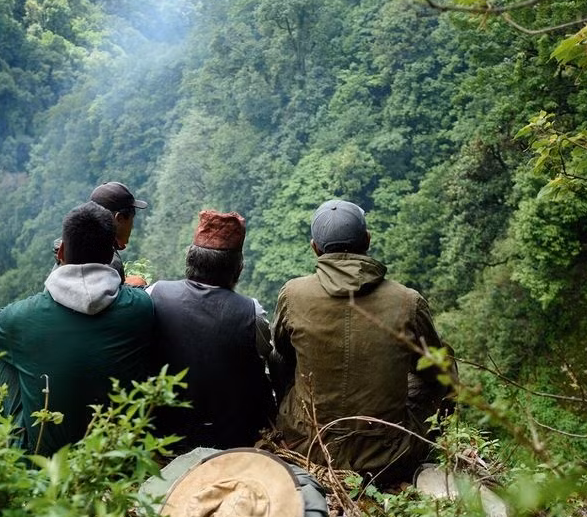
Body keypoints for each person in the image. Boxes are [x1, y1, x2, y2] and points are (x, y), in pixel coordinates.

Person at [269, 199, 454, 487]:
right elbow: (439, 375)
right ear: (367, 241)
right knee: (442, 363)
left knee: (279, 357)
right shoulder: (407, 301)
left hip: (311, 447)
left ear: (315, 248)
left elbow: (281, 354)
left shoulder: (293, 294)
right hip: (389, 455)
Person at [0, 202, 156, 454]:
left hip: (48, 457)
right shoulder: (140, 307)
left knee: (3, 352)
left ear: (61, 252)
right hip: (118, 450)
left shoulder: (23, 317)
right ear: (111, 255)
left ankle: (12, 438)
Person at [147, 210, 274, 450]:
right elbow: (263, 357)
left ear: (190, 259)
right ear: (237, 268)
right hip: (230, 442)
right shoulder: (251, 312)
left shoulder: (155, 294)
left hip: (163, 438)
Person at [89, 181, 148, 284]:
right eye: (131, 219)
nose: (132, 226)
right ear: (119, 218)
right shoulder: (110, 260)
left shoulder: (72, 246)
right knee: (138, 282)